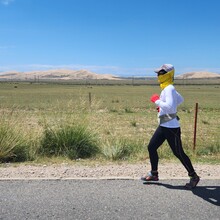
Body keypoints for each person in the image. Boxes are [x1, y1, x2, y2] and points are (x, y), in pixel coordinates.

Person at [141, 64, 200, 189]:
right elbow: (180, 100)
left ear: (167, 74)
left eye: (160, 73)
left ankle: (194, 176)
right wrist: (161, 106)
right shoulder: (168, 88)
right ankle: (154, 173)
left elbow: (170, 107)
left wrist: (156, 100)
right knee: (151, 147)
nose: (158, 75)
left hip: (171, 127)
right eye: (157, 73)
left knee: (178, 152)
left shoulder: (169, 89)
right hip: (164, 124)